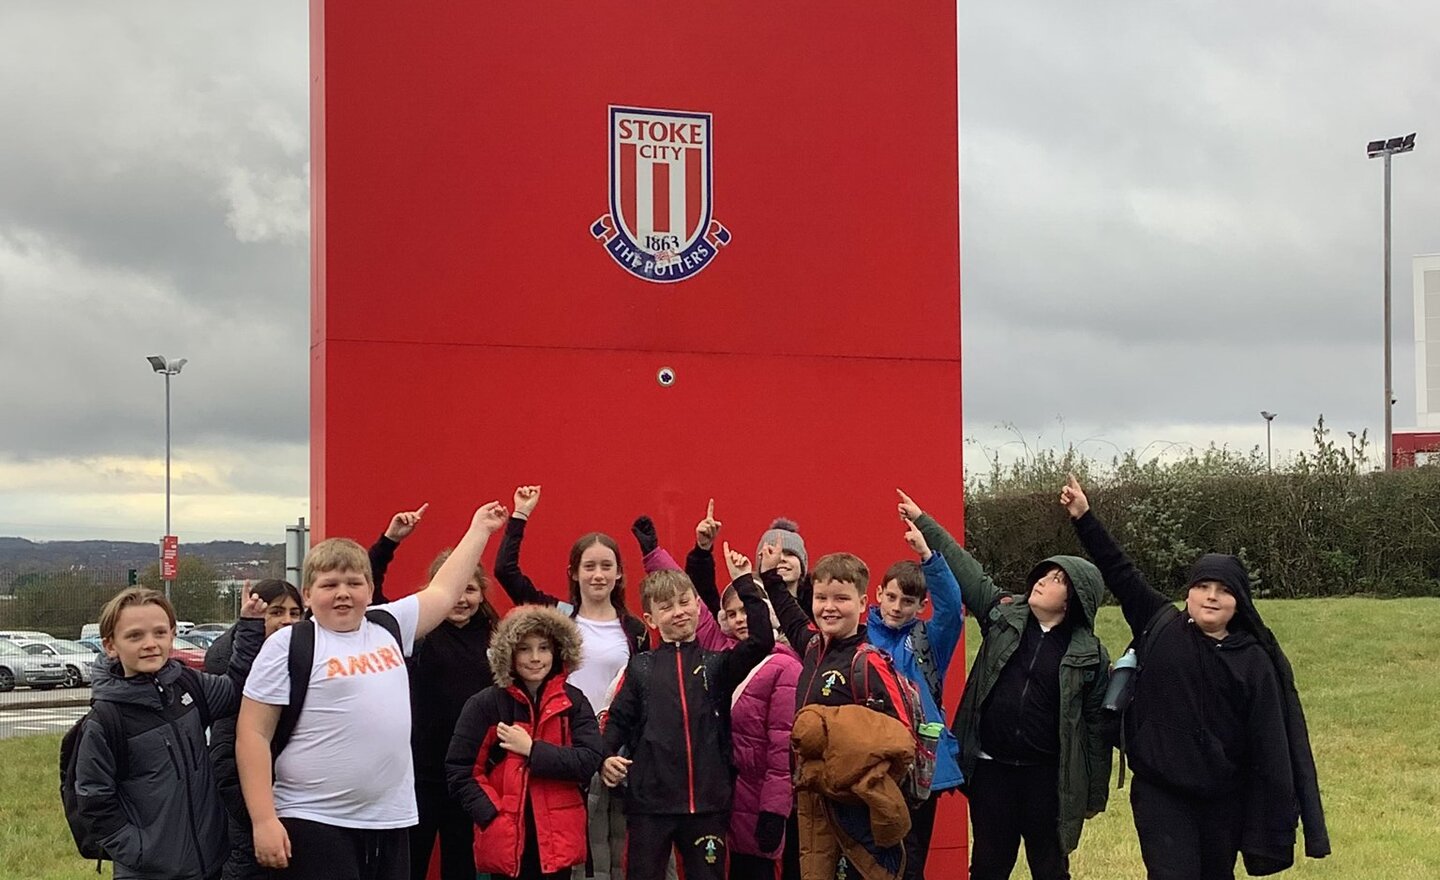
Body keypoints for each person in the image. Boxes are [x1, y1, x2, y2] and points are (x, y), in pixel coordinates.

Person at [1060, 475, 1329, 879]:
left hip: (1224, 798)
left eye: (1223, 590)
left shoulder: (1254, 661)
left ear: (1238, 604)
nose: (1211, 596)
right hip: (1160, 791)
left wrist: (1273, 821)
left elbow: (1269, 745)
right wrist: (1084, 516)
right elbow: (1119, 570)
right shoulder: (1160, 623)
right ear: (1189, 593)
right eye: (1202, 586)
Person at [236, 501, 509, 880]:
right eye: (329, 585)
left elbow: (444, 590)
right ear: (308, 593)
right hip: (313, 818)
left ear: (370, 589)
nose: (343, 593)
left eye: (354, 583)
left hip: (389, 819)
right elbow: (252, 733)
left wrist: (480, 528)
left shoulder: (388, 625)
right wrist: (264, 819)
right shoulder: (288, 645)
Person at [905, 488, 1110, 880]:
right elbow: (967, 571)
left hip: (1046, 780)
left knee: (1050, 869)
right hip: (992, 772)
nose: (1042, 581)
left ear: (1074, 600)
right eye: (1045, 574)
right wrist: (924, 521)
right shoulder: (1003, 615)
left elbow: (1097, 731)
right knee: (987, 867)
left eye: (1056, 580)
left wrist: (1090, 796)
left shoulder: (1091, 655)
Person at [633, 507, 802, 880]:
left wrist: (775, 810)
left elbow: (781, 748)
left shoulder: (785, 665)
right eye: (732, 612)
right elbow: (684, 598)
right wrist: (654, 554)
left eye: (747, 610)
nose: (741, 618)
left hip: (758, 800)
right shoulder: (718, 649)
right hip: (718, 794)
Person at [493, 485, 648, 880]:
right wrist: (521, 515)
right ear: (574, 573)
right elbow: (505, 572)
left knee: (618, 853)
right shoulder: (560, 616)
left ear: (618, 573)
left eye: (606, 566)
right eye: (589, 566)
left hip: (619, 753)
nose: (598, 574)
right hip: (566, 749)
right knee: (575, 855)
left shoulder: (636, 629)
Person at [72, 587, 267, 880]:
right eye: (135, 636)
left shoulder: (187, 684)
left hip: (209, 863)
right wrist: (139, 852)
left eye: (160, 633)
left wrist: (250, 627)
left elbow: (236, 689)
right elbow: (94, 800)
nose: (150, 644)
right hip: (148, 871)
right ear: (110, 646)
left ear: (172, 634)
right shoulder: (105, 720)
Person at [599, 554, 774, 880]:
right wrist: (605, 757)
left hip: (708, 806)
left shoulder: (718, 665)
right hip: (650, 808)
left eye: (684, 602)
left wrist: (744, 582)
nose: (678, 612)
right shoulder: (641, 668)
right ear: (651, 619)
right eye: (667, 607)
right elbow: (618, 721)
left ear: (697, 605)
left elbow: (762, 641)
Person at [761, 540, 916, 880]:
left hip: (856, 811)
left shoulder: (869, 662)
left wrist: (845, 773)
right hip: (813, 803)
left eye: (841, 599)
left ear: (862, 603)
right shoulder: (814, 646)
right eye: (821, 598)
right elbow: (790, 616)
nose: (829, 607)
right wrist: (770, 576)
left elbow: (904, 738)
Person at [445, 605, 603, 880]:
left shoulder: (573, 702)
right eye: (524, 649)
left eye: (544, 648)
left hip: (557, 840)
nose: (535, 658)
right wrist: (492, 814)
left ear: (557, 652)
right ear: (509, 653)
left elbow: (588, 760)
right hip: (506, 841)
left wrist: (532, 749)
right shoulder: (485, 705)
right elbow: (461, 770)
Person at [866, 499, 966, 880]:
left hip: (922, 767)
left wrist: (927, 555)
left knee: (913, 858)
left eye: (907, 601)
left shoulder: (929, 638)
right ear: (877, 594)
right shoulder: (860, 636)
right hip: (874, 760)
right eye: (890, 597)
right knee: (873, 856)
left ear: (920, 605)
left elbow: (952, 604)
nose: (896, 607)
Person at [409, 550, 501, 880]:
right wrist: (390, 542)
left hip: (470, 774)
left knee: (462, 865)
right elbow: (374, 601)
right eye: (454, 589)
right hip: (419, 773)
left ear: (482, 592)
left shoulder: (498, 636)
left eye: (470, 590)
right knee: (410, 862)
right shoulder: (416, 635)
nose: (461, 599)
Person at [205, 579, 305, 880]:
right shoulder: (231, 664)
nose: (286, 620)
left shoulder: (305, 659)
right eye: (276, 612)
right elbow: (225, 755)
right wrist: (257, 816)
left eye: (294, 612)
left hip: (296, 809)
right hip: (250, 818)